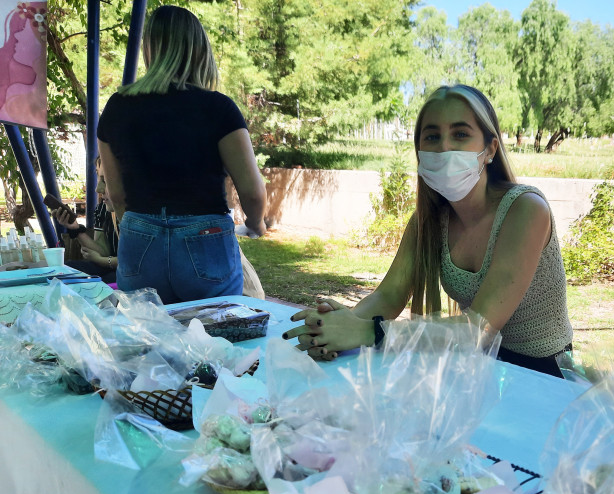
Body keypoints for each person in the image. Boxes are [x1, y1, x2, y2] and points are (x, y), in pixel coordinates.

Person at [284, 85, 573, 377]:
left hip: (543, 373)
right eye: (432, 136)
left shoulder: (526, 210)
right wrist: (336, 325)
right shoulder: (429, 221)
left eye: (460, 134)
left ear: (490, 150)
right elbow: (389, 296)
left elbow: (478, 329)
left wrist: (369, 332)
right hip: (477, 366)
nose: (444, 147)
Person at [97, 5, 266, 305]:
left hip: (139, 238)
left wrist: (139, 231)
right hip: (205, 237)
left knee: (146, 339)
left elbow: (117, 195)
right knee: (216, 338)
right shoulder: (219, 109)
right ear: (199, 49)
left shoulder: (117, 107)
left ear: (150, 48)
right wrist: (255, 224)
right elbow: (252, 192)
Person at [56, 158, 119, 284]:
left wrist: (101, 260)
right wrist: (75, 229)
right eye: (98, 176)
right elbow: (103, 251)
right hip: (111, 266)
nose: (98, 189)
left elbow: (133, 261)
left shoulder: (137, 212)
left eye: (105, 179)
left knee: (108, 280)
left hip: (128, 270)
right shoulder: (103, 209)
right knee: (66, 270)